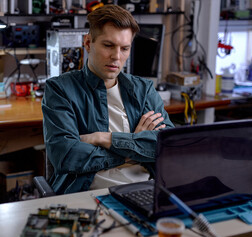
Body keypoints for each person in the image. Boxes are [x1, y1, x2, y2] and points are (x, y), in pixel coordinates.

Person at [42, 5, 174, 194]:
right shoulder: (60, 89)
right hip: (89, 192)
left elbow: (168, 146)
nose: (116, 57)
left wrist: (103, 138)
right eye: (108, 45)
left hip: (147, 189)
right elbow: (66, 155)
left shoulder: (143, 89)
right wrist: (133, 147)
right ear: (88, 43)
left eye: (124, 48)